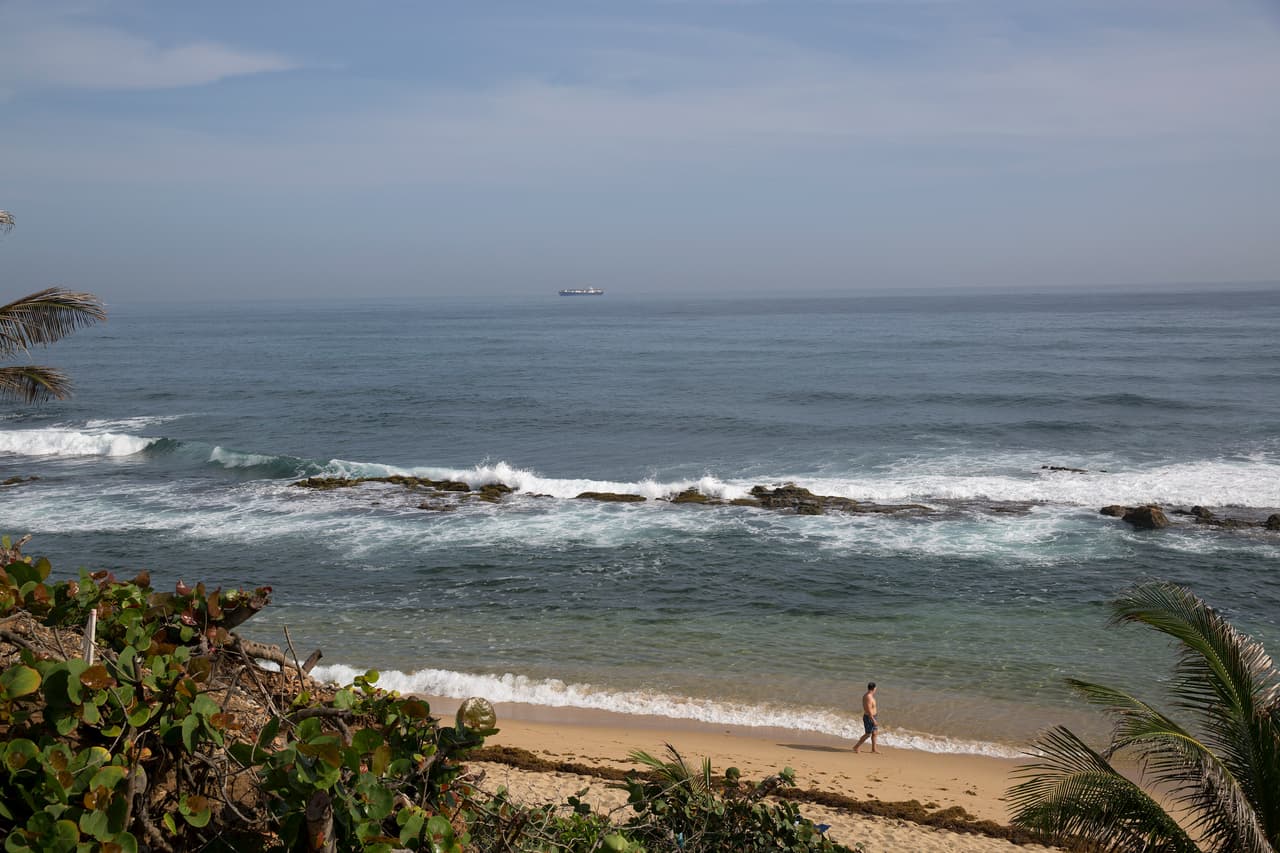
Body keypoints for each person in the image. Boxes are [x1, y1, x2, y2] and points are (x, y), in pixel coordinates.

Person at [853, 682, 879, 753]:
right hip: (869, 717)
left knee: (875, 733)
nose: (876, 689)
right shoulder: (868, 697)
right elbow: (869, 709)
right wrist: (873, 719)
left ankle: (874, 749)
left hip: (873, 716)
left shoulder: (870, 695)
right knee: (868, 734)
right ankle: (856, 747)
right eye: (876, 688)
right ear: (874, 688)